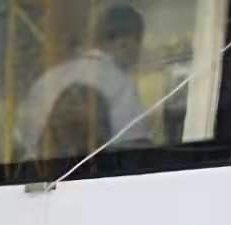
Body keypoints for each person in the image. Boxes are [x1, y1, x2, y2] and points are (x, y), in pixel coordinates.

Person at [15, 5, 151, 161]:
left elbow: (23, 146)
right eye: (138, 46)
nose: (138, 56)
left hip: (40, 181)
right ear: (125, 43)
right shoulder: (120, 84)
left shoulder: (46, 80)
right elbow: (135, 151)